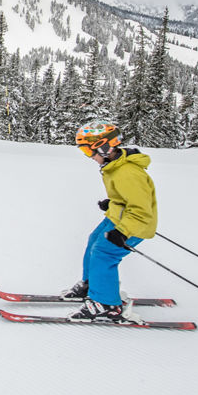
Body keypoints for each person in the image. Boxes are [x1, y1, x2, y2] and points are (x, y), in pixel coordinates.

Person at [62, 122, 157, 323]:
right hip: (119, 218)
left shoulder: (128, 172)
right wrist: (113, 203)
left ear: (105, 147)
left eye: (89, 151)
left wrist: (123, 232)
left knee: (104, 253)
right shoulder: (114, 166)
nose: (89, 156)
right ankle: (92, 284)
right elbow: (127, 198)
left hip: (133, 225)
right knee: (94, 240)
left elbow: (142, 209)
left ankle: (106, 304)